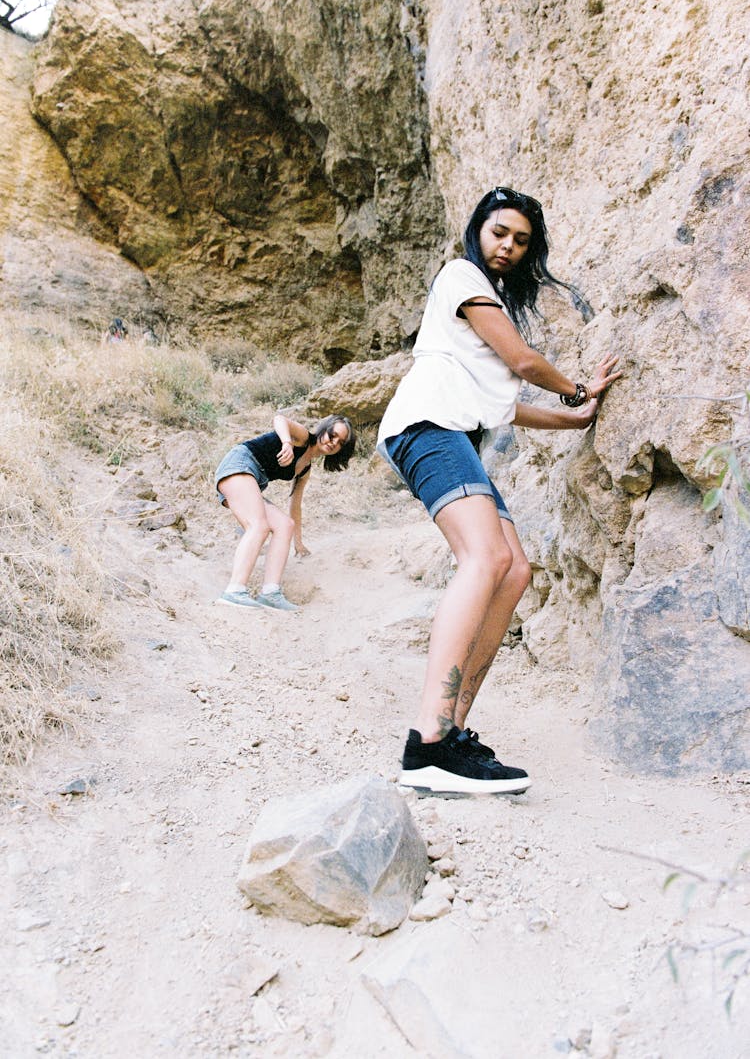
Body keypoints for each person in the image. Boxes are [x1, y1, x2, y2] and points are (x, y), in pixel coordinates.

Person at [377, 187, 621, 795]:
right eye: (499, 233)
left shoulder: (484, 315)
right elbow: (524, 363)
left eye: (521, 241)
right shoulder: (460, 276)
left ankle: (453, 733)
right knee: (484, 560)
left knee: (515, 571)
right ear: (476, 231)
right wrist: (577, 392)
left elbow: (508, 405)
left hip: (455, 435)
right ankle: (428, 742)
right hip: (426, 427)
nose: (508, 246)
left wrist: (577, 418)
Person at [215, 413, 356, 611]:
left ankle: (270, 593)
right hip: (239, 464)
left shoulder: (305, 469)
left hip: (251, 478)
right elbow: (279, 419)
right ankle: (234, 591)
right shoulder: (303, 438)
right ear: (323, 430)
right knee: (259, 525)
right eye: (332, 435)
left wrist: (298, 543)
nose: (333, 442)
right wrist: (287, 443)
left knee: (284, 525)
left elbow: (295, 506)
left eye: (340, 442)